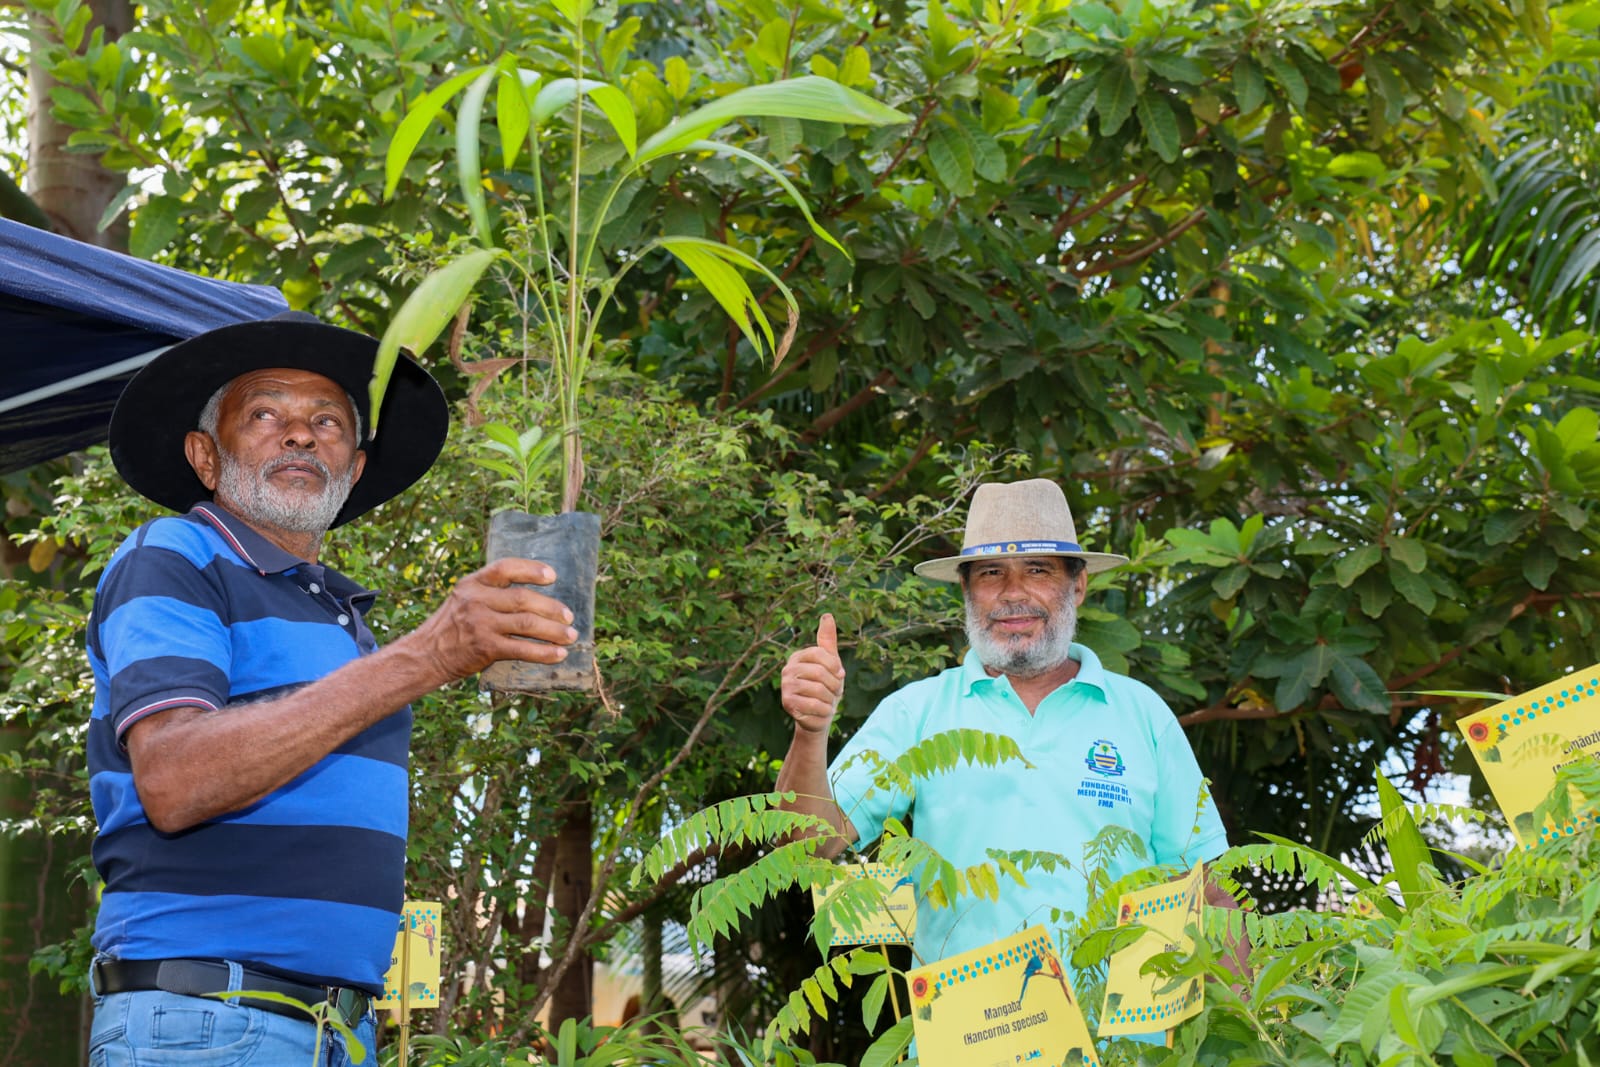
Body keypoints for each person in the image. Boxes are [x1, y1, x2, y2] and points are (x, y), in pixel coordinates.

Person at [84, 312, 577, 1064]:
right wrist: (429, 656)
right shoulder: (174, 555)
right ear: (204, 457)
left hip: (333, 1030)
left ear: (352, 470)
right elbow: (175, 778)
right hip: (211, 1019)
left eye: (327, 423)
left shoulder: (341, 615)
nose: (301, 434)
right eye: (265, 414)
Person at [776, 479, 1239, 1016]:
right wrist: (810, 732)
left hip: (1126, 1049)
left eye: (1038, 570)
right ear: (968, 592)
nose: (1013, 593)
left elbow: (1204, 886)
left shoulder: (1144, 716)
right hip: (969, 1039)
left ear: (1078, 586)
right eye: (992, 574)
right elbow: (808, 845)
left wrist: (1260, 1026)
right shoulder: (915, 714)